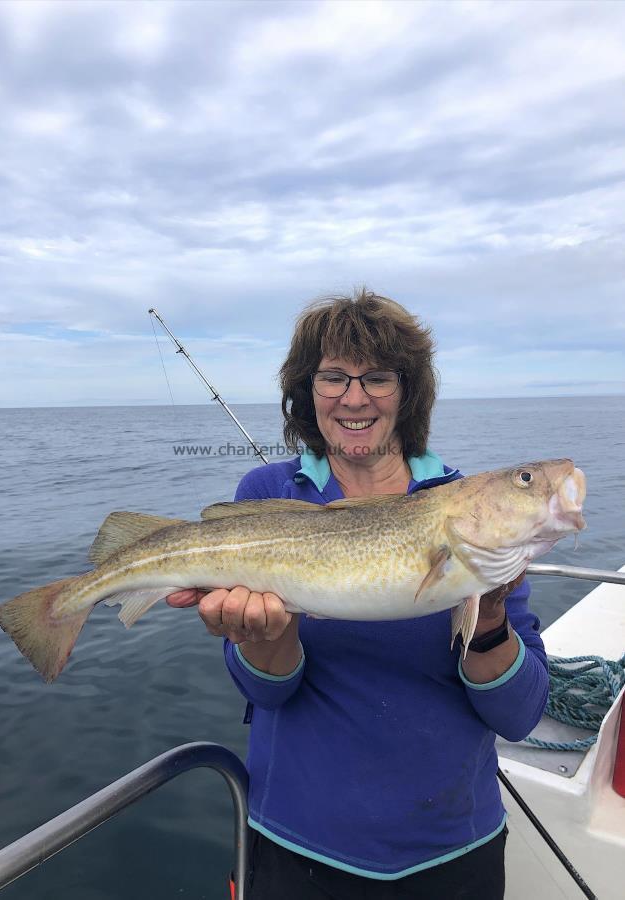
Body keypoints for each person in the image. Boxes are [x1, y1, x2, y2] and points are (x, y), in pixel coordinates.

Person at [167, 289, 549, 899]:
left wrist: (490, 612)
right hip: (297, 842)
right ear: (306, 390)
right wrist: (268, 636)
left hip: (453, 848)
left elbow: (520, 714)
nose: (354, 396)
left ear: (408, 390)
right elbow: (266, 689)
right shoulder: (268, 493)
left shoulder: (467, 507)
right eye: (333, 376)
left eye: (377, 376)